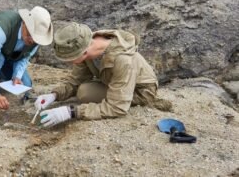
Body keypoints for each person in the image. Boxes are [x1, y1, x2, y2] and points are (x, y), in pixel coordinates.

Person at [35, 22, 172, 127]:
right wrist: (54, 95)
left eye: (70, 59)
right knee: (83, 90)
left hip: (140, 91)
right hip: (112, 82)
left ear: (83, 52)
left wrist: (71, 112)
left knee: (85, 93)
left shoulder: (123, 60)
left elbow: (116, 107)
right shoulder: (86, 43)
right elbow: (76, 80)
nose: (69, 63)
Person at [0, 6, 53, 110]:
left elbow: (24, 58)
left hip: (6, 51)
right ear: (24, 22)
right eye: (30, 34)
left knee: (26, 84)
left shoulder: (36, 40)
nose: (32, 41)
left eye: (36, 38)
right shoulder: (2, 27)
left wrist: (17, 76)